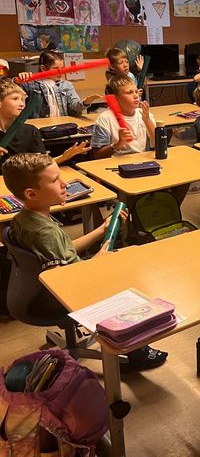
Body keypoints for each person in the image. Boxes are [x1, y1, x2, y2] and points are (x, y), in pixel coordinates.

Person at [2, 152, 168, 371]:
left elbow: (65, 250)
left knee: (125, 255)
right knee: (126, 279)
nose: (64, 184)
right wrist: (99, 261)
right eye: (54, 180)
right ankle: (131, 352)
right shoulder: (44, 233)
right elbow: (65, 278)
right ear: (32, 194)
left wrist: (101, 230)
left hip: (33, 293)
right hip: (58, 295)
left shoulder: (24, 219)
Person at [0, 79, 90, 171]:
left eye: (22, 99)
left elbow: (40, 165)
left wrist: (64, 157)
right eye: (15, 99)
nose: (22, 104)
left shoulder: (31, 131)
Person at [16, 51, 103, 118]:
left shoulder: (66, 85)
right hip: (40, 126)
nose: (61, 72)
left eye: (62, 68)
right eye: (56, 68)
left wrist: (86, 102)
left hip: (61, 125)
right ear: (43, 68)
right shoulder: (31, 84)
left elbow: (75, 105)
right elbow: (10, 89)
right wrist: (18, 81)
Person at [91, 76, 155, 159]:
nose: (136, 96)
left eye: (136, 92)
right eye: (129, 92)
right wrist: (117, 145)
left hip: (142, 160)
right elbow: (98, 155)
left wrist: (147, 121)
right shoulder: (105, 118)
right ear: (115, 98)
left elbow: (158, 144)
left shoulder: (144, 114)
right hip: (116, 163)